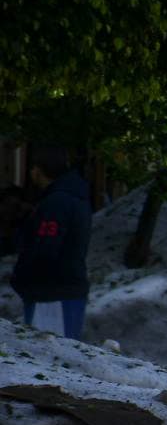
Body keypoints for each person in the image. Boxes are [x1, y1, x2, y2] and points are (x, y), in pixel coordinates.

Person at [10, 144, 92, 339]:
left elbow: (45, 247)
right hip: (63, 288)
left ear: (39, 169)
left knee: (50, 356)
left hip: (50, 292)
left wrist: (24, 277)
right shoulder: (74, 197)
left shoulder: (56, 202)